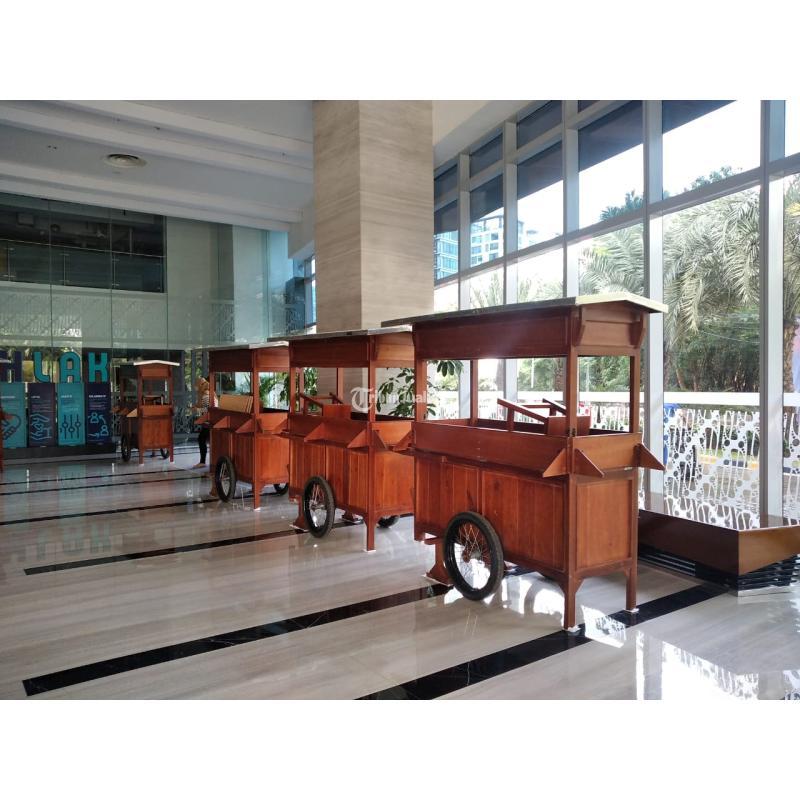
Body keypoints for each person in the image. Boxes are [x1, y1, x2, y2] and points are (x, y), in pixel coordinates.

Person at [192, 376, 210, 469]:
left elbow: (208, 410)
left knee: (201, 439)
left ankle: (203, 462)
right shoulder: (207, 394)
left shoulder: (206, 395)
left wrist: (197, 409)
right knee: (202, 439)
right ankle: (203, 461)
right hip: (207, 422)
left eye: (197, 385)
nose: (196, 388)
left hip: (208, 423)